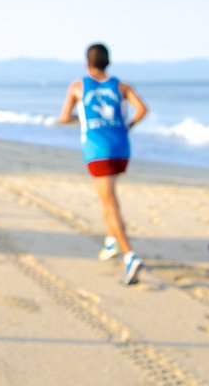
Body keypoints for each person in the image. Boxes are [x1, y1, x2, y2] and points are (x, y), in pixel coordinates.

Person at [60, 43, 149, 285]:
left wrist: (85, 118)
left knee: (110, 203)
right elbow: (142, 109)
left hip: (98, 150)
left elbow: (65, 117)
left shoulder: (78, 86)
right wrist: (127, 126)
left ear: (87, 63)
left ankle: (129, 255)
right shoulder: (121, 86)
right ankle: (111, 241)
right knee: (109, 195)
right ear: (108, 62)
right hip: (121, 147)